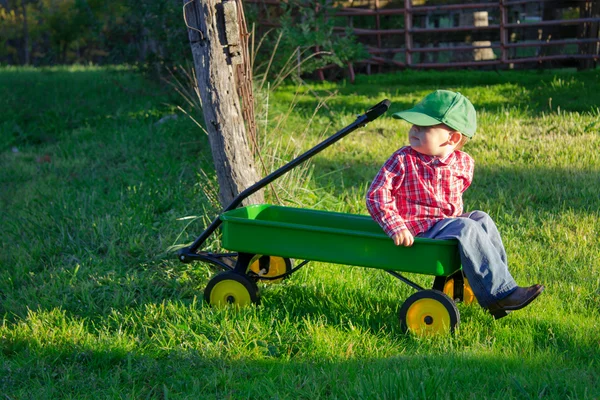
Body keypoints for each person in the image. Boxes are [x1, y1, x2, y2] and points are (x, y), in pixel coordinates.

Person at [366, 90, 544, 319]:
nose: (414, 130)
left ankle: (499, 285)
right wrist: (396, 226)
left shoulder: (463, 163)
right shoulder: (403, 159)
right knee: (465, 227)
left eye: (424, 127)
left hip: (442, 225)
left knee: (481, 218)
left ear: (453, 139)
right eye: (413, 125)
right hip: (417, 228)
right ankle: (500, 292)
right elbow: (376, 194)